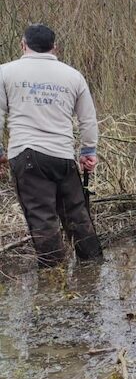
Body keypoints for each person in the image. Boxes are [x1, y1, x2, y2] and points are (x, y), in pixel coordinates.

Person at [0, 23, 103, 267]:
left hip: (26, 155)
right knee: (77, 215)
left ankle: (52, 277)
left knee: (42, 218)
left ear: (23, 45)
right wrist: (88, 151)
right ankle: (93, 267)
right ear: (54, 47)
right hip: (63, 155)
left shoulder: (5, 72)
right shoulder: (72, 75)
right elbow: (88, 119)